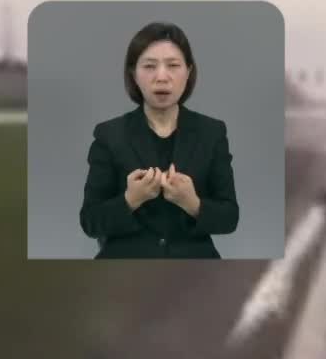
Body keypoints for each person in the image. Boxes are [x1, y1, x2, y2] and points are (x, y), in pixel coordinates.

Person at [79, 21, 240, 258]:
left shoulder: (212, 132)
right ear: (133, 74)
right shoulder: (109, 135)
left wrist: (193, 203)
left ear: (189, 72)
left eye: (173, 65)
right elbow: (90, 222)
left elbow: (229, 218)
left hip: (195, 270)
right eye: (149, 66)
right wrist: (130, 200)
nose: (161, 77)